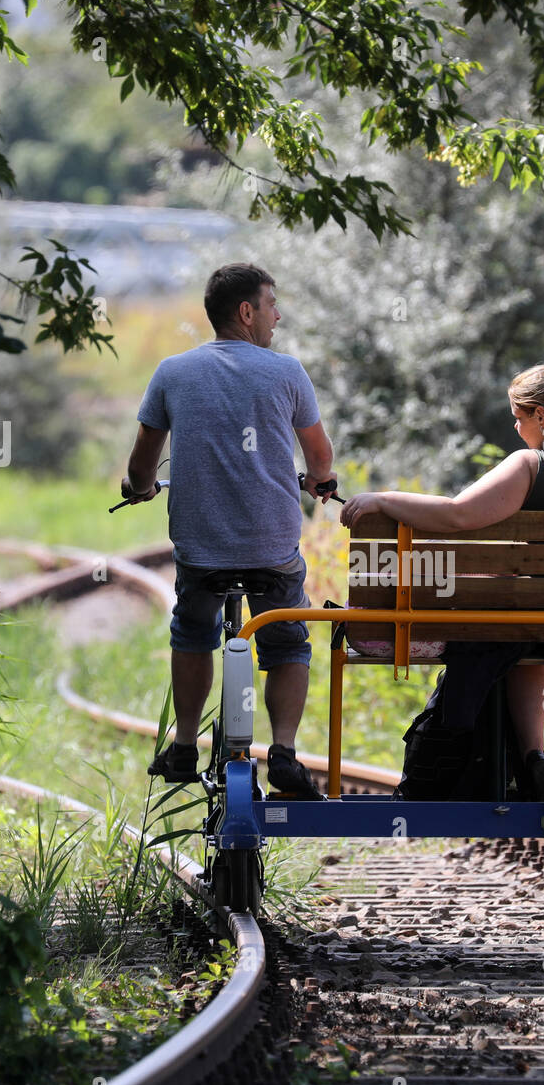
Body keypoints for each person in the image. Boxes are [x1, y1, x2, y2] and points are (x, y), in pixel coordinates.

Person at [339, 364, 544, 801]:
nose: (516, 425)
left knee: (521, 631)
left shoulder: (530, 465)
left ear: (542, 417)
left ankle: (534, 754)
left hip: (538, 626)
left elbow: (457, 514)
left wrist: (381, 498)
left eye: (520, 416)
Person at [123, 262, 337, 797]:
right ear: (247, 312)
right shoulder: (287, 372)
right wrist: (320, 481)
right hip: (272, 549)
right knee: (287, 640)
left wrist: (141, 487)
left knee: (192, 631)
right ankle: (283, 751)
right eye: (271, 304)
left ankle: (183, 747)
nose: (278, 315)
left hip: (202, 553)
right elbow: (319, 456)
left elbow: (142, 462)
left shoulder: (172, 373)